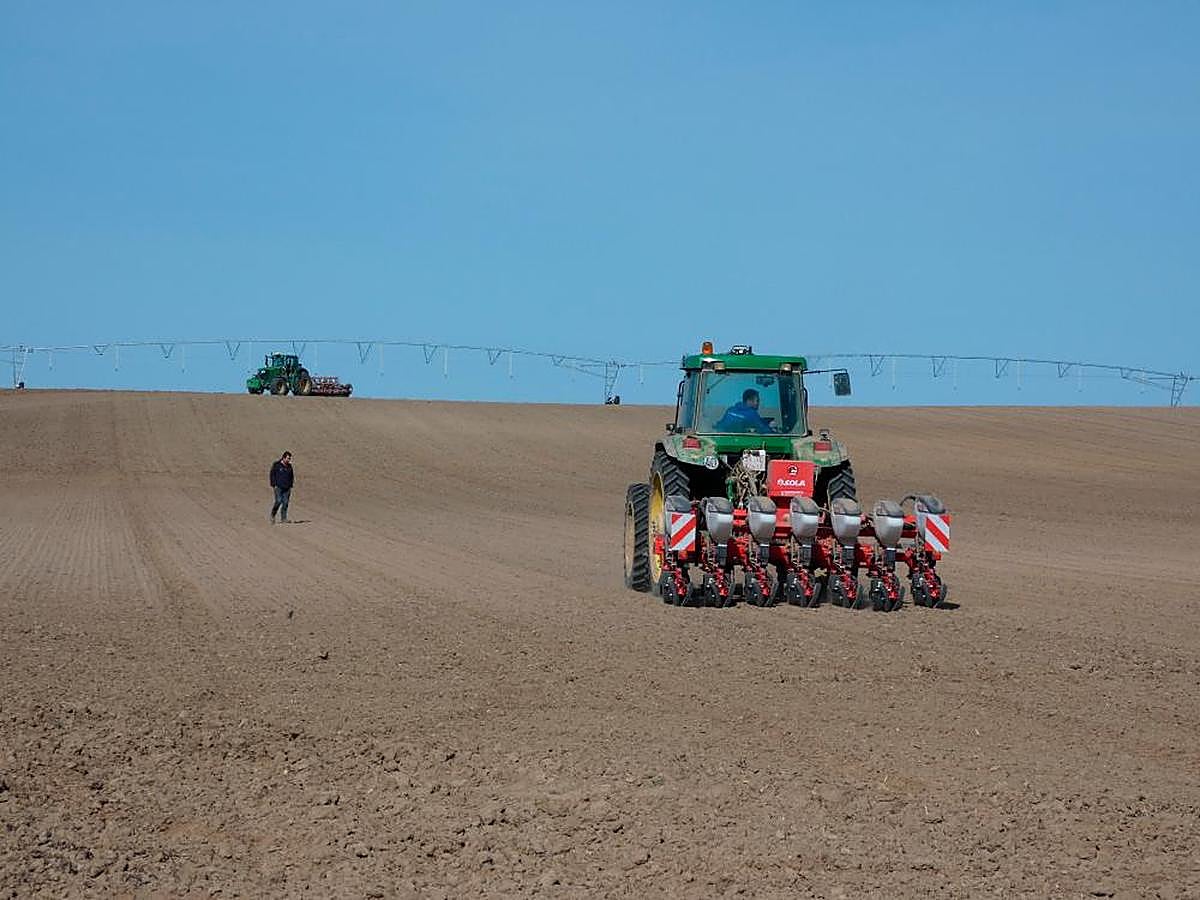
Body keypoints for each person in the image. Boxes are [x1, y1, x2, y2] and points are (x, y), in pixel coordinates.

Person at [269, 451, 295, 524]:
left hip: (287, 488)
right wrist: (273, 484)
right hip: (278, 487)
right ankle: (273, 515)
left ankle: (284, 518)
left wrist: (290, 485)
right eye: (288, 458)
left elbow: (292, 476)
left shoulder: (289, 466)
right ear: (283, 458)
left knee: (285, 503)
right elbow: (272, 474)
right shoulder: (277, 465)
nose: (289, 460)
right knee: (278, 501)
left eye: (289, 458)